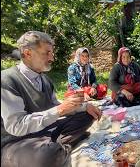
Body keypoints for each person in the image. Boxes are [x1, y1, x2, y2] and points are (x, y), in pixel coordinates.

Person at [1, 31, 102, 167]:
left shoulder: (45, 79)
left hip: (45, 131)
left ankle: (56, 147)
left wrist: (84, 107)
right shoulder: (7, 80)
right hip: (17, 141)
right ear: (27, 53)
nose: (52, 58)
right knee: (45, 157)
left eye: (52, 53)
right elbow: (16, 126)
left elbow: (54, 105)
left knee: (87, 115)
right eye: (47, 53)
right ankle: (59, 148)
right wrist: (59, 110)